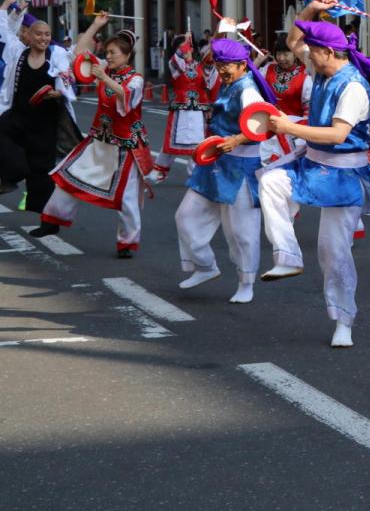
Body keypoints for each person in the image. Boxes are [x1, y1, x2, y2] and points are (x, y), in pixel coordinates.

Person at [256, 0, 370, 348]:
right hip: (314, 163)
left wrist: (288, 127)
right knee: (269, 181)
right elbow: (293, 42)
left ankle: (343, 320)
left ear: (328, 52)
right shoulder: (323, 71)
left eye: (313, 52)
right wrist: (312, 8)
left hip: (344, 174)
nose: (306, 56)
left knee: (334, 251)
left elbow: (337, 135)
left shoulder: (353, 87)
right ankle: (287, 256)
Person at [32, 16, 151, 258]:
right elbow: (80, 53)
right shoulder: (104, 68)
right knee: (69, 177)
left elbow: (127, 96)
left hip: (124, 144)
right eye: (107, 52)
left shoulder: (135, 78)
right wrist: (97, 25)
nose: (109, 57)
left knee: (125, 197)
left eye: (114, 52)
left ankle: (127, 243)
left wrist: (104, 77)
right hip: (99, 139)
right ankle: (52, 220)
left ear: (127, 55)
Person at [174, 38, 275, 304]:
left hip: (242, 166)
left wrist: (236, 140)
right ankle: (205, 266)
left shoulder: (248, 90)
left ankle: (246, 282)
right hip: (216, 161)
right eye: (219, 65)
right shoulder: (229, 84)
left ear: (243, 65)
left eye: (227, 66)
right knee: (185, 216)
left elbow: (265, 124)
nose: (222, 70)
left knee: (241, 230)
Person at [0, 15, 81, 211]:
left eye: (47, 34)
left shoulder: (57, 55)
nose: (43, 38)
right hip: (18, 117)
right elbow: (6, 32)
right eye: (38, 34)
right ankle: (11, 177)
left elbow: (76, 54)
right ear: (27, 35)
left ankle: (45, 218)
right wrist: (11, 11)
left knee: (42, 170)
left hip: (45, 122)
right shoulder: (18, 52)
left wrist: (58, 92)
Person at [146, 34, 216, 184]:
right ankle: (159, 170)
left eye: (188, 45)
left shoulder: (201, 65)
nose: (185, 49)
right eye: (181, 46)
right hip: (181, 109)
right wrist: (185, 43)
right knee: (171, 143)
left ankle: (194, 175)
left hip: (198, 110)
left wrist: (216, 37)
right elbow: (180, 60)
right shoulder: (174, 63)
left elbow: (210, 70)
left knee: (197, 144)